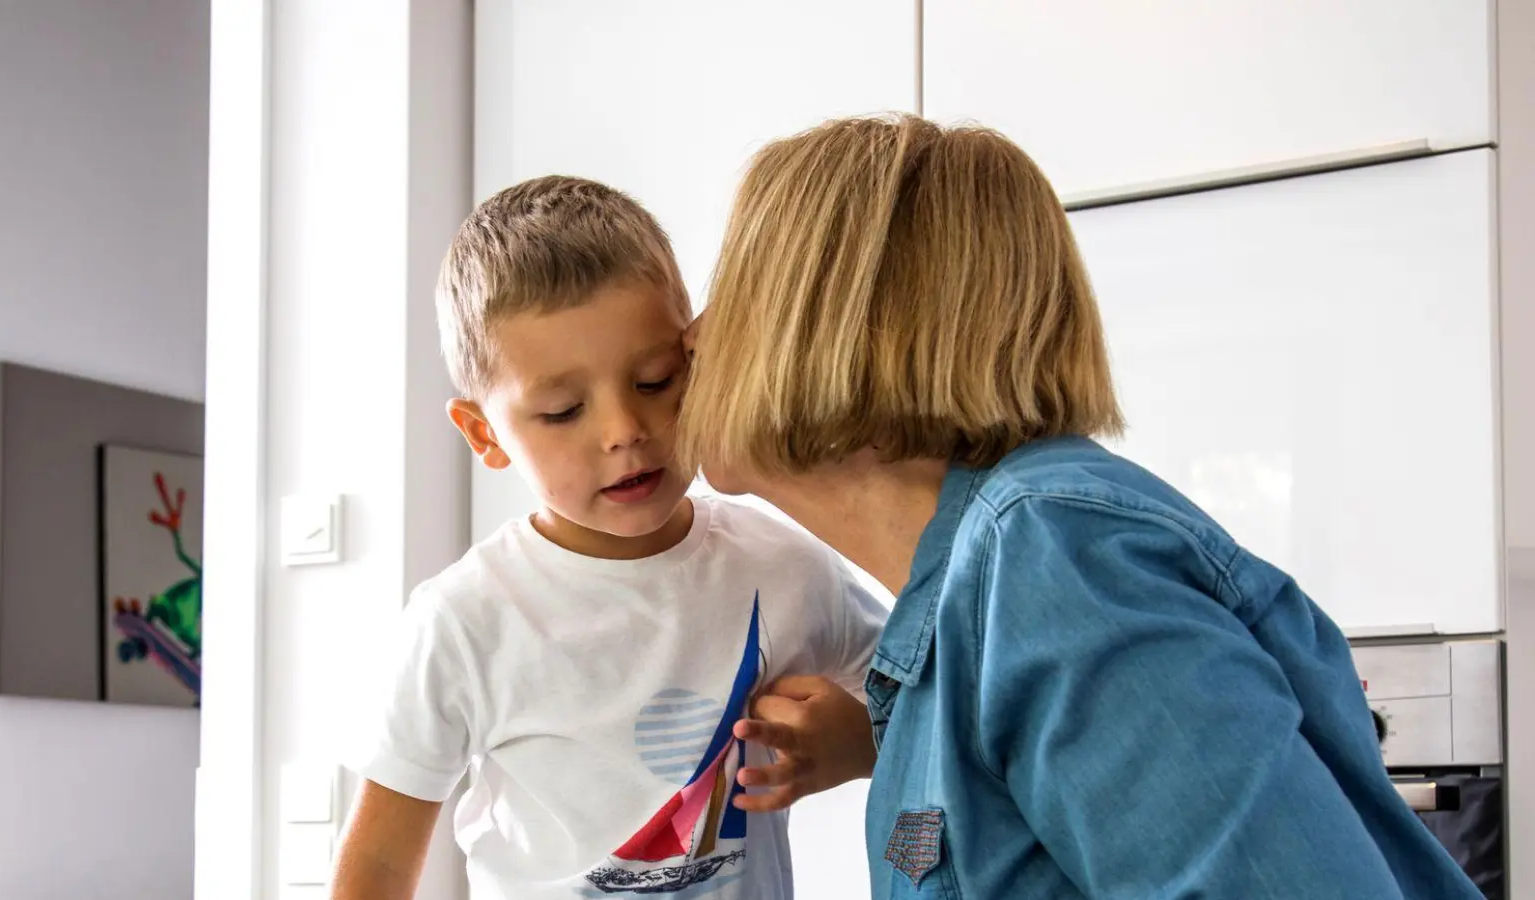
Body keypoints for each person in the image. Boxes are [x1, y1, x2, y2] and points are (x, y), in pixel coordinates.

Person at [678, 114, 1483, 898]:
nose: (691, 337)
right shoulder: (973, 599)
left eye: (735, 289)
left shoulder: (1051, 565)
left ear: (829, 327)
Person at [330, 175, 886, 900]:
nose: (624, 431)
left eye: (656, 381)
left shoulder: (784, 566)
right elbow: (375, 866)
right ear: (483, 434)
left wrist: (861, 742)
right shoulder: (465, 620)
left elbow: (950, 702)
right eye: (563, 412)